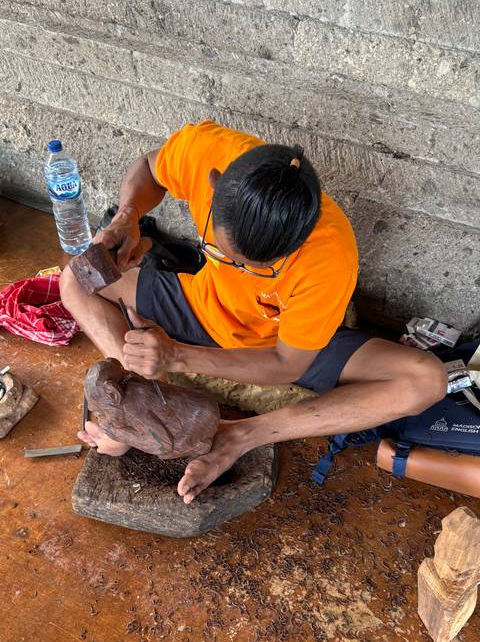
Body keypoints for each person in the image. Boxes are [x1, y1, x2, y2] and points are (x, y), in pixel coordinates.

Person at [60, 120, 447, 502]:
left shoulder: (329, 255)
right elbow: (148, 167)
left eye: (257, 268)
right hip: (200, 305)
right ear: (215, 185)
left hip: (280, 342)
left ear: (300, 240)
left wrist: (177, 356)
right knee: (75, 279)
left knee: (426, 380)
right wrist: (128, 216)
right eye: (225, 255)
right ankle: (137, 404)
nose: (239, 271)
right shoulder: (208, 152)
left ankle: (240, 435)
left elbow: (287, 364)